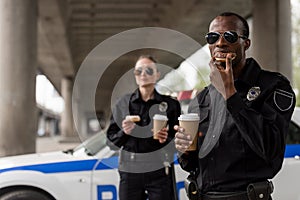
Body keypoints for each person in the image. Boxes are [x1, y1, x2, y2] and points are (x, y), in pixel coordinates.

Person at [174, 12, 296, 200]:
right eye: (213, 37)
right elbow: (191, 164)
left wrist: (229, 93)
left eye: (229, 36)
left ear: (245, 43)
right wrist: (184, 149)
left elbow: (270, 150)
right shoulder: (202, 97)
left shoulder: (273, 86)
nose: (220, 43)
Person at [106, 55, 181, 200]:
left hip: (159, 168)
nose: (143, 74)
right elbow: (111, 143)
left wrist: (165, 139)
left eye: (149, 70)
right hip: (130, 170)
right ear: (135, 75)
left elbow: (178, 146)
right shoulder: (123, 103)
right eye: (138, 71)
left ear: (157, 75)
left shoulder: (170, 105)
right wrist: (124, 132)